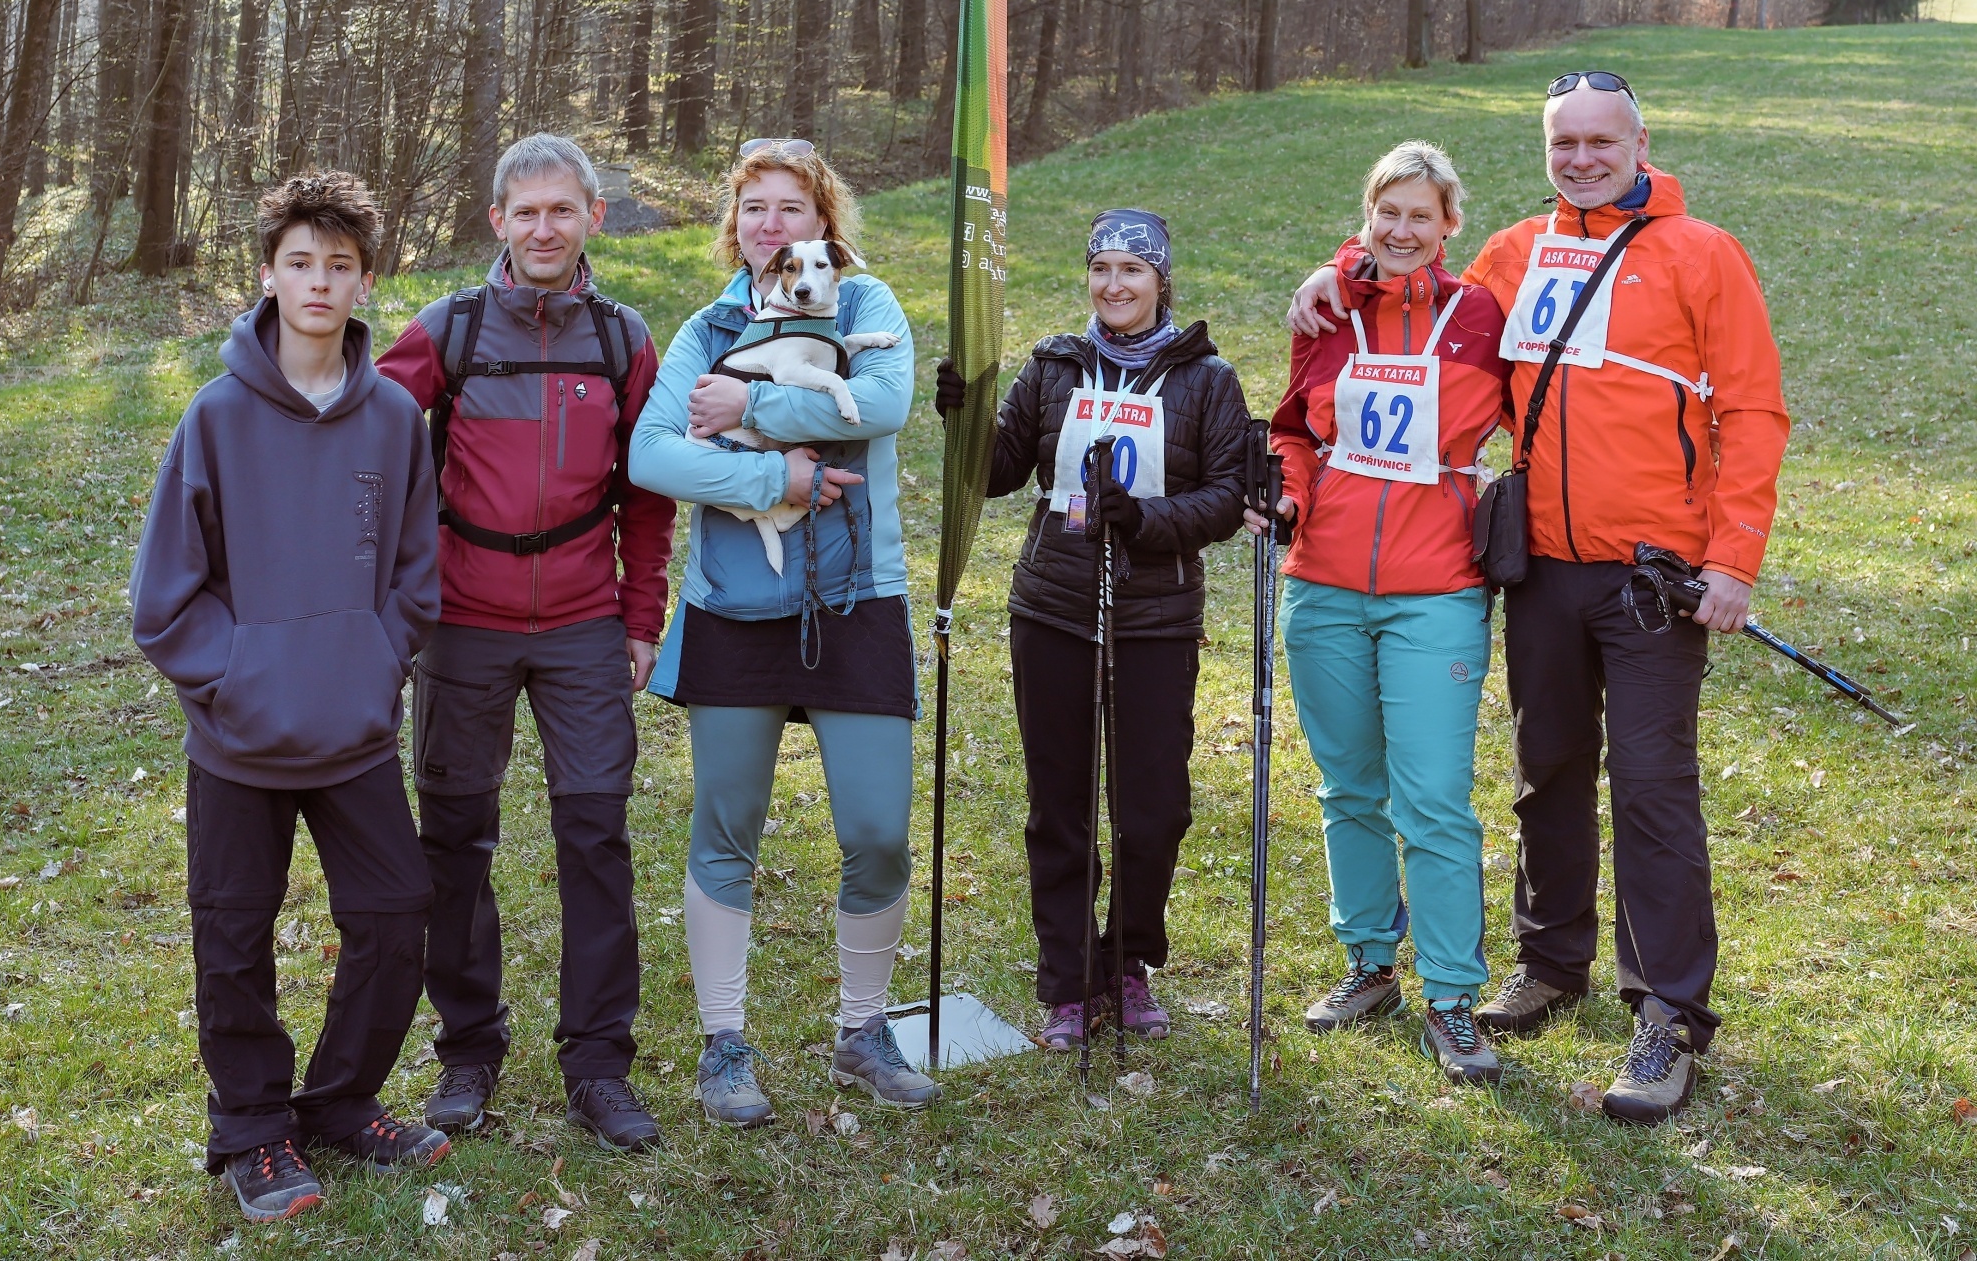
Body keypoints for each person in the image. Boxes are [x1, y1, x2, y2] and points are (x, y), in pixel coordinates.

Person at [1287, 73, 1789, 1122]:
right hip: (1541, 569)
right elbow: (1415, 286)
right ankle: (1551, 961)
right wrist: (1335, 271)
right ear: (1546, 150)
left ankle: (1666, 1015)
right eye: (1565, 143)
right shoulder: (1515, 252)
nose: (1583, 159)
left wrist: (1734, 558)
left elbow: (1750, 409)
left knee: (1651, 787)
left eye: (1602, 141)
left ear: (1640, 142)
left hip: (1655, 575)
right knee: (1546, 769)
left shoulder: (1702, 253)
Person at [131, 173, 446, 1223]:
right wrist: (241, 678)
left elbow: (415, 575)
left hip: (353, 732)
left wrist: (372, 660)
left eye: (339, 265)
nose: (319, 281)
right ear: (267, 275)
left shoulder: (393, 418)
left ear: (365, 282)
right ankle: (252, 1131)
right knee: (234, 937)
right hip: (239, 740)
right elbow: (163, 598)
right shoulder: (216, 417)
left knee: (395, 915)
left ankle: (342, 1102)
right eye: (300, 262)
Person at [626, 139, 938, 1127]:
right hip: (733, 603)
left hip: (858, 598)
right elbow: (652, 455)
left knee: (878, 832)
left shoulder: (866, 303)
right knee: (726, 828)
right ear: (737, 226)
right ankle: (724, 1044)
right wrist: (775, 476)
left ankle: (861, 1031)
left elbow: (882, 404)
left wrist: (752, 401)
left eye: (790, 208)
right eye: (754, 208)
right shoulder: (709, 326)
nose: (771, 224)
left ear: (822, 223)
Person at [375, 134, 675, 1152]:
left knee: (595, 837)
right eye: (526, 211)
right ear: (497, 221)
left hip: (586, 627)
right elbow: (363, 437)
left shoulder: (623, 340)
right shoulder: (448, 330)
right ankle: (468, 1049)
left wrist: (641, 617)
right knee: (454, 841)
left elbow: (647, 495)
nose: (545, 229)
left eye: (563, 210)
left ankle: (598, 1065)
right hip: (462, 625)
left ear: (594, 217)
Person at [940, 209, 1250, 1051]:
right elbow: (999, 472)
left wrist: (1144, 520)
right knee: (1061, 807)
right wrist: (962, 417)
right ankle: (1070, 980)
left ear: (1161, 281)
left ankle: (1128, 963)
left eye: (1133, 270)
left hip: (1154, 616)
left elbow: (1228, 497)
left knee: (1153, 810)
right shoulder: (1053, 365)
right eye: (1102, 268)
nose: (1115, 284)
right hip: (1054, 607)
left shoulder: (1207, 378)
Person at [1245, 143, 1509, 1085]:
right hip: (1323, 584)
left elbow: (1544, 415)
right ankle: (1369, 962)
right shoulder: (1325, 312)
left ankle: (1452, 995)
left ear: (1449, 225)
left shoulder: (1480, 315)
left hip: (1436, 589)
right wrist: (1286, 490)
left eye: (1419, 215)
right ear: (1366, 217)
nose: (1401, 230)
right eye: (1386, 212)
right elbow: (1292, 428)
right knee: (1348, 787)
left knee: (1433, 798)